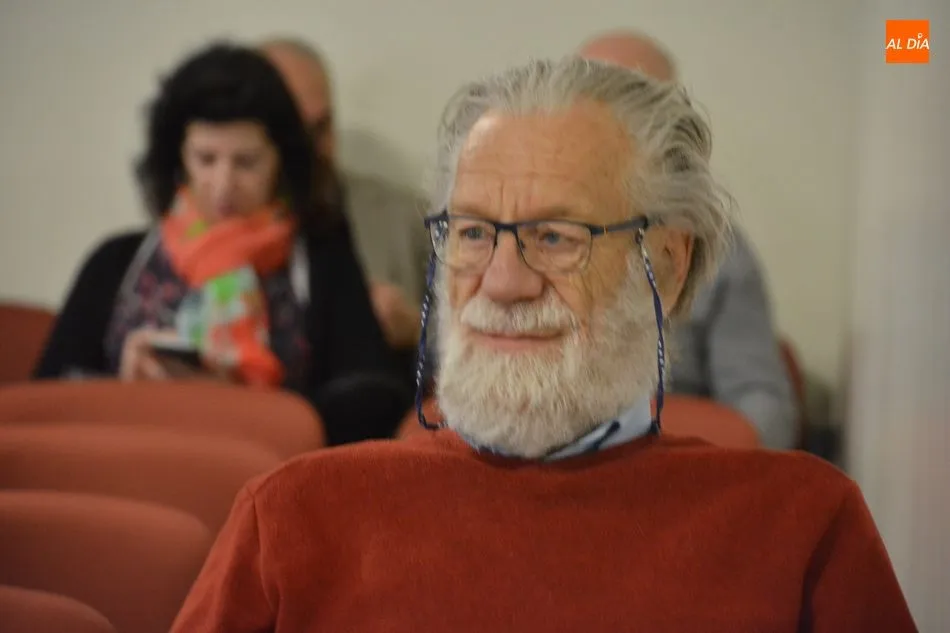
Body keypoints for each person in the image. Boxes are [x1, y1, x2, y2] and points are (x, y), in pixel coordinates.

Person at [170, 57, 916, 632]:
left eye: (556, 237)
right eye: (472, 232)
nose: (502, 282)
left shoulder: (802, 526)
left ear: (665, 263)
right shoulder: (293, 516)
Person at [32, 42, 410, 445]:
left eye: (246, 162)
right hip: (134, 461)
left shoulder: (322, 257)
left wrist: (239, 403)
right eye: (206, 159)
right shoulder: (115, 262)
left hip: (269, 467)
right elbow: (44, 405)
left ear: (281, 163)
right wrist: (125, 390)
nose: (223, 185)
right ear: (178, 160)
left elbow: (375, 401)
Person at [579, 30, 799, 449]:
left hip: (672, 467)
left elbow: (763, 408)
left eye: (634, 107)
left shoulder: (722, 252)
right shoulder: (502, 237)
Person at [259, 37, 431, 352]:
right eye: (295, 134)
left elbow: (472, 339)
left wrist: (415, 329)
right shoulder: (198, 231)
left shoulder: (404, 217)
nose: (312, 151)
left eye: (321, 128)